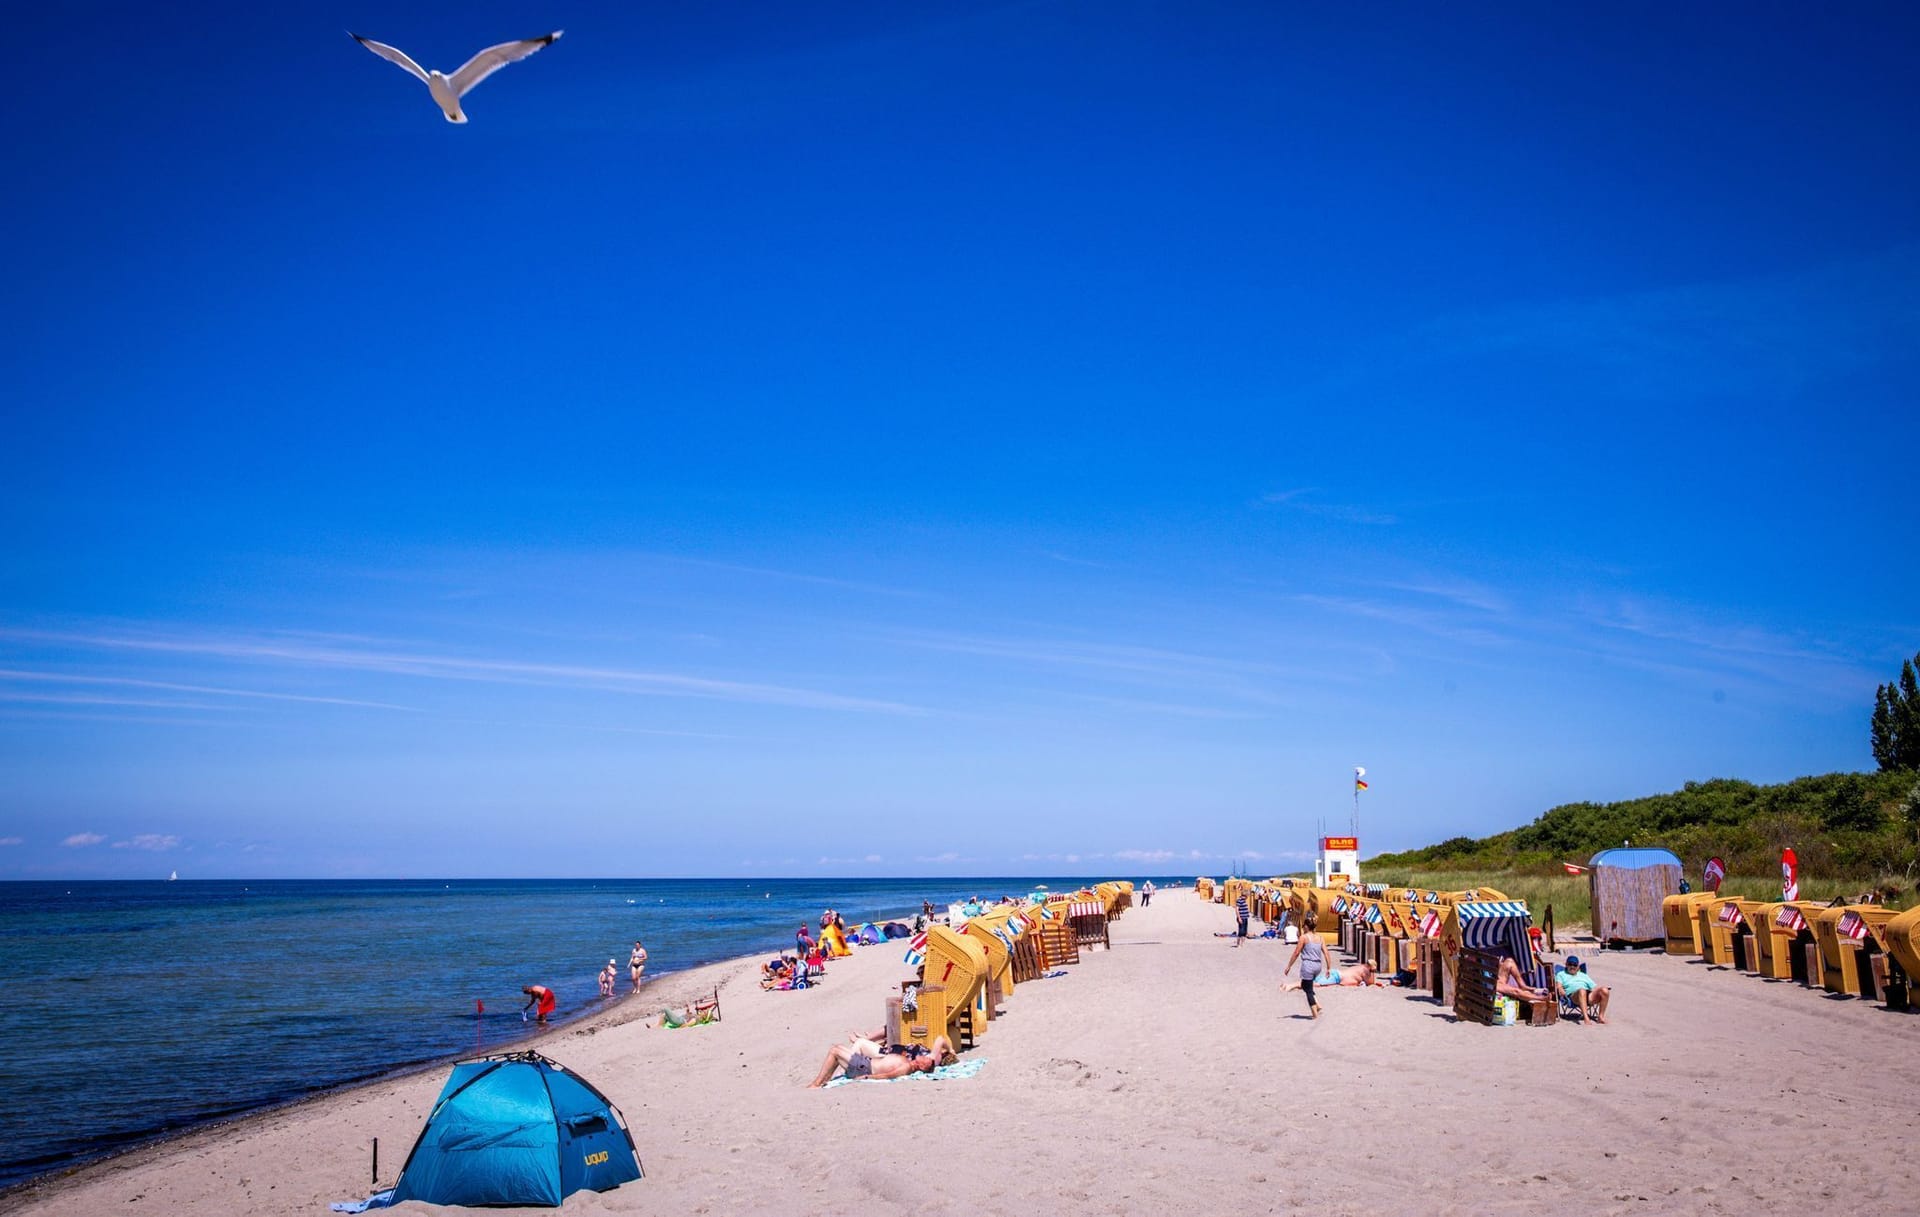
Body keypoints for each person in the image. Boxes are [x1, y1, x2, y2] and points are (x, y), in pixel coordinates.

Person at [809, 1035, 955, 1087]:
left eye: (925, 1059)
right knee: (838, 1051)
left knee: (835, 1050)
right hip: (866, 1062)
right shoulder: (909, 1063)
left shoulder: (906, 1068)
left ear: (922, 1067)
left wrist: (867, 1077)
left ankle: (817, 1083)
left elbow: (888, 1075)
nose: (925, 1056)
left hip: (865, 1067)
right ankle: (822, 1081)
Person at [1282, 915, 1326, 1018]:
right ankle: (1318, 1006)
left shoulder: (1304, 937)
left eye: (1303, 926)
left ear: (1306, 926)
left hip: (1308, 966)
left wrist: (1289, 966)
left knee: (1308, 990)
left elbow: (1297, 952)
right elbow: (1326, 953)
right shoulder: (1320, 937)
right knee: (1306, 985)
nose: (1302, 928)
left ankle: (1315, 1013)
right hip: (1318, 966)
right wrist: (1328, 967)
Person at [1555, 955, 1611, 1024]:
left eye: (1575, 965)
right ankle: (1586, 1018)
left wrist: (1601, 990)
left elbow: (1593, 987)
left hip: (1588, 995)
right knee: (1582, 990)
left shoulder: (1583, 975)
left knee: (1605, 990)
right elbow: (1558, 986)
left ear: (1578, 967)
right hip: (1573, 997)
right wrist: (1560, 989)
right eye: (1570, 964)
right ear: (1566, 964)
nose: (1572, 967)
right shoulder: (1561, 974)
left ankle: (1601, 1017)